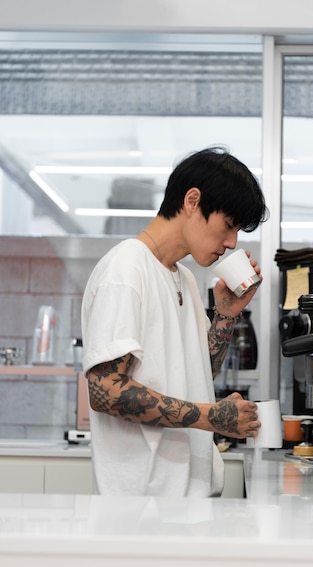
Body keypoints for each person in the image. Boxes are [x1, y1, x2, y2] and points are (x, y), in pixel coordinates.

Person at [81, 146, 269, 496]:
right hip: (144, 505)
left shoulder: (182, 277)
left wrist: (226, 316)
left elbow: (196, 373)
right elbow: (104, 390)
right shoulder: (126, 270)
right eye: (228, 226)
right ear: (193, 201)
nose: (231, 243)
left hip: (187, 498)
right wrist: (212, 417)